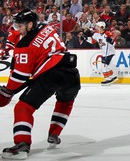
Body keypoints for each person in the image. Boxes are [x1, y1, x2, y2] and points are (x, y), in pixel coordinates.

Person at [0, 9, 81, 159]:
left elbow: (20, 76)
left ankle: (22, 145)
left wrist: (7, 91)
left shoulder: (24, 45)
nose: (18, 29)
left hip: (51, 74)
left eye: (20, 26)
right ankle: (54, 134)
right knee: (65, 101)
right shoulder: (47, 27)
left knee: (23, 107)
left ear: (30, 24)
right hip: (72, 73)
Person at [92, 21, 118, 86]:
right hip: (104, 52)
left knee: (104, 66)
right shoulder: (96, 35)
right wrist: (85, 38)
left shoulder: (107, 33)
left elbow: (114, 43)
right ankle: (112, 77)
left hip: (109, 52)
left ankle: (109, 78)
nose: (96, 28)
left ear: (102, 27)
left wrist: (111, 41)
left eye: (98, 27)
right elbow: (92, 41)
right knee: (105, 66)